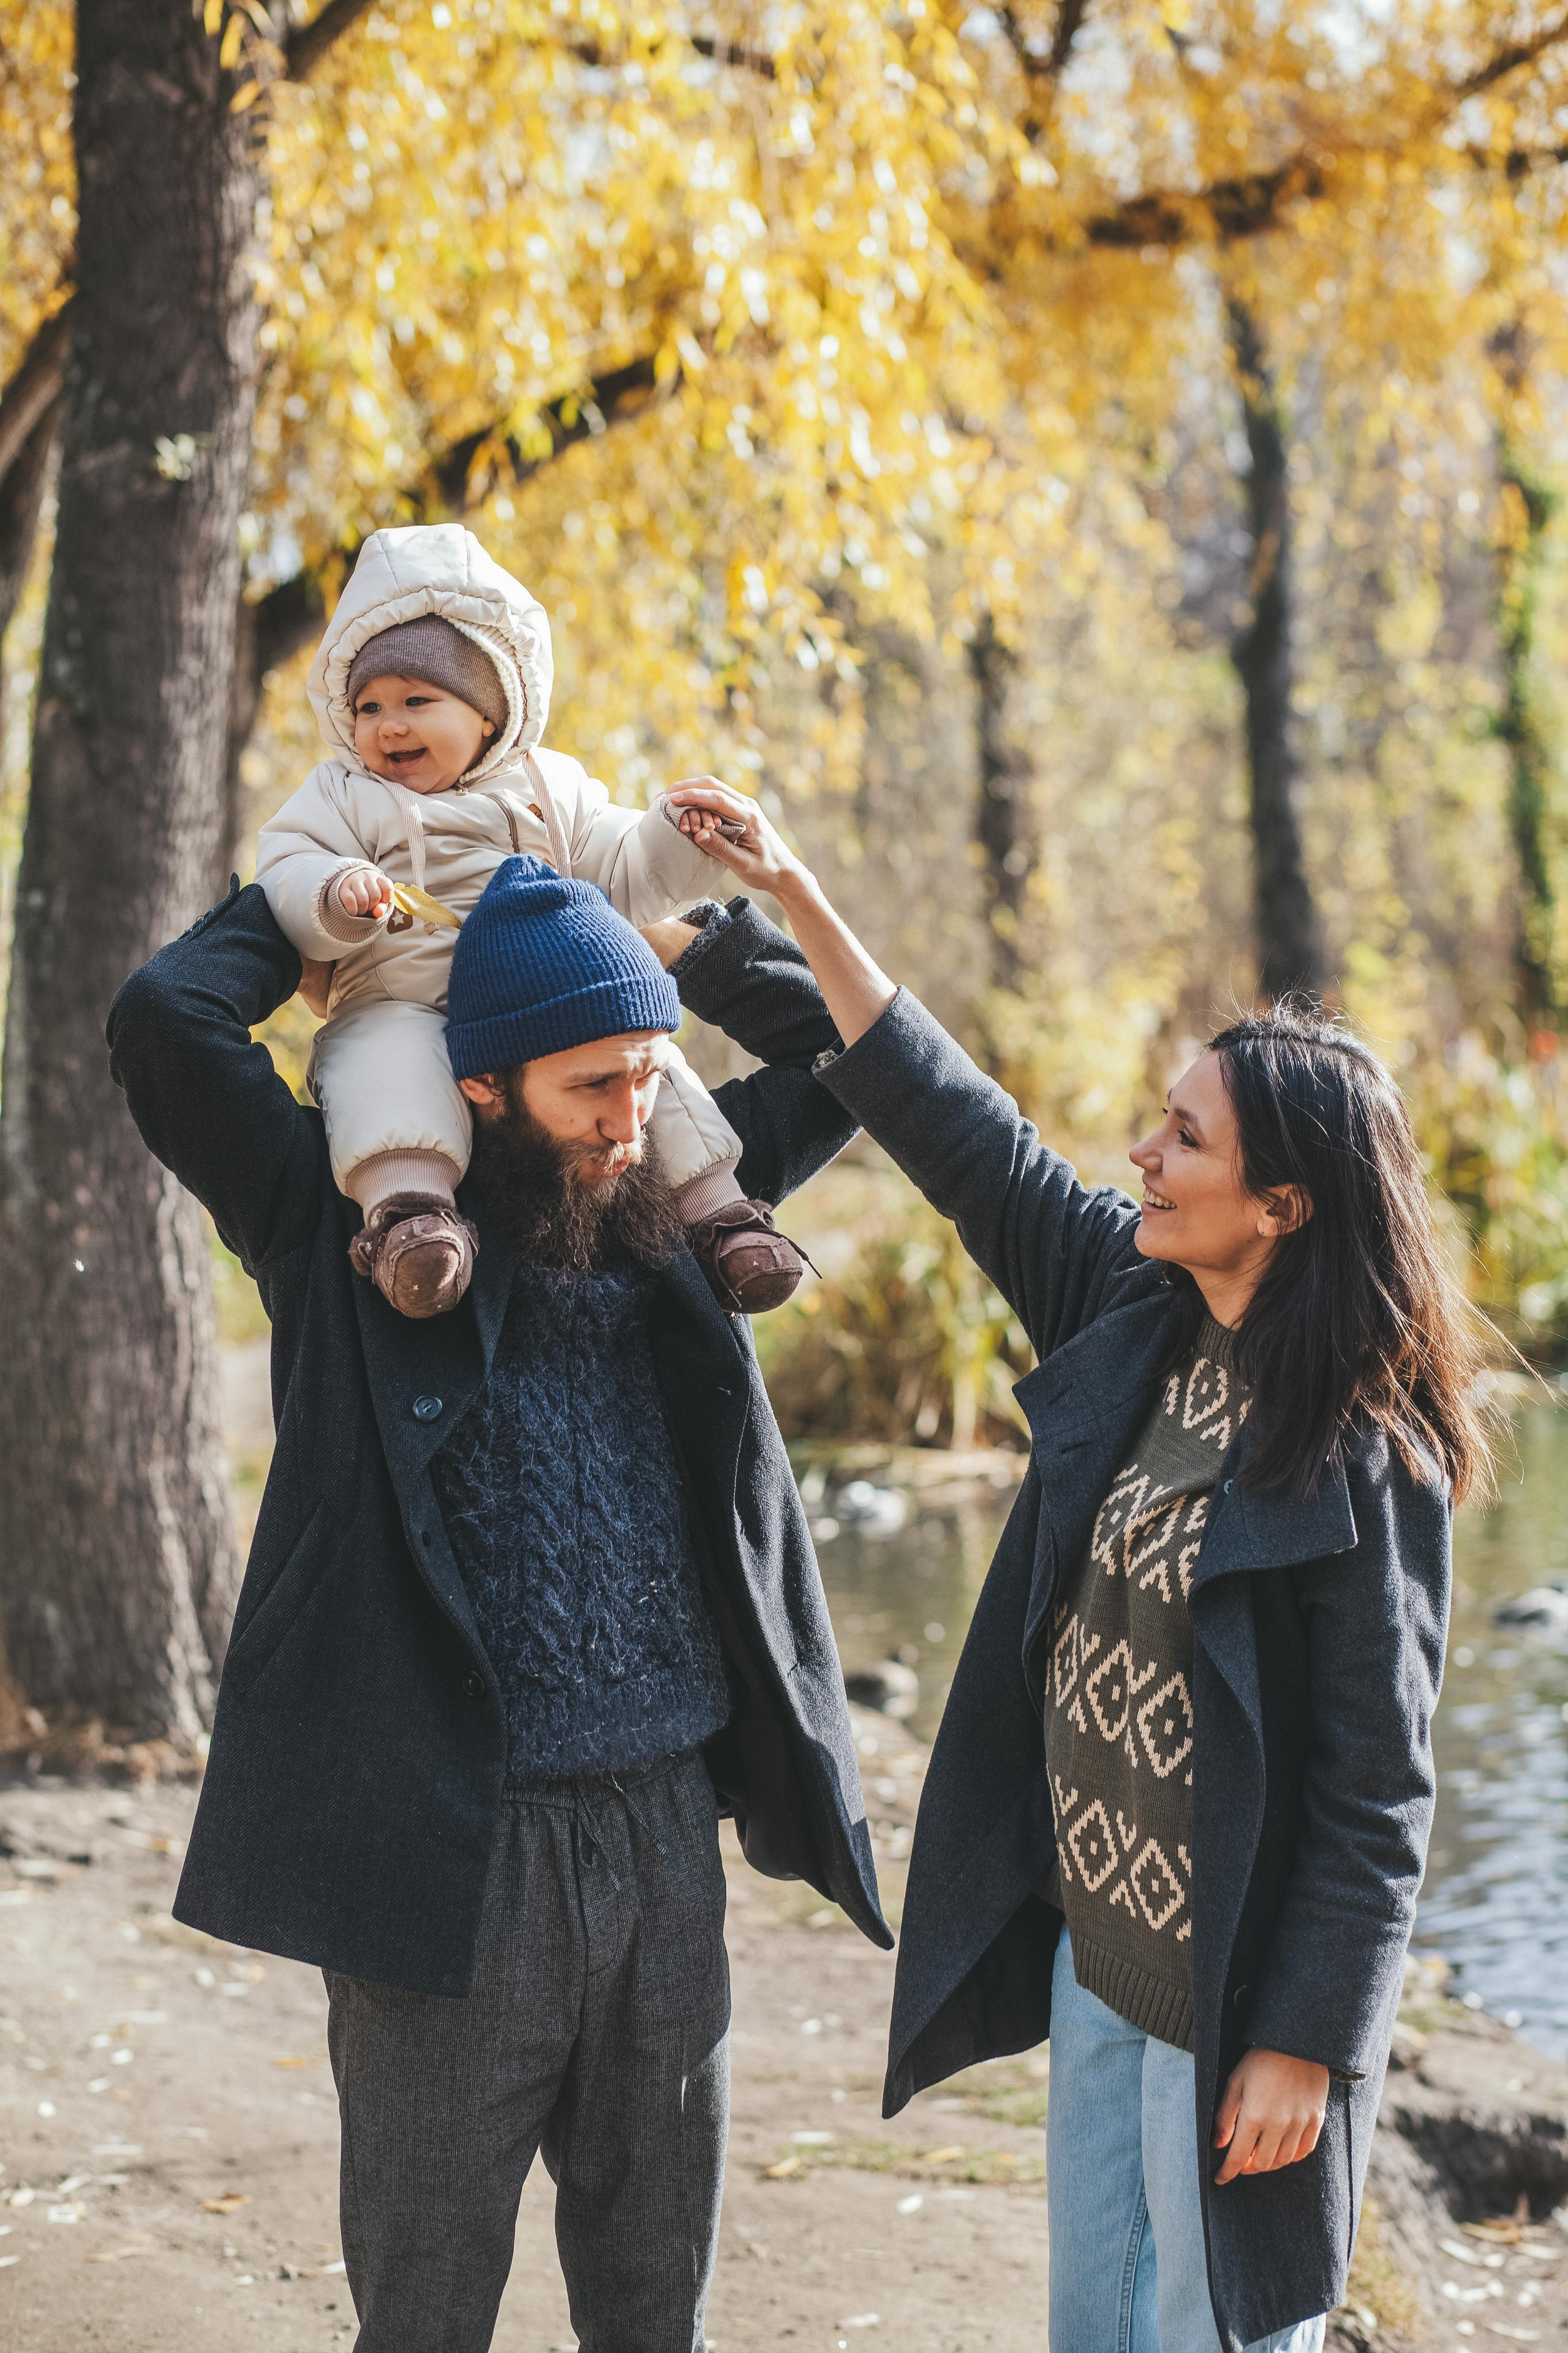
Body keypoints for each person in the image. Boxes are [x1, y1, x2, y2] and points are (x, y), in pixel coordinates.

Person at [663, 782, 1488, 2353]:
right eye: (1159, 1121)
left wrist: (1308, 2041)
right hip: (1098, 1959)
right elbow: (952, 1120)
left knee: (1215, 2331)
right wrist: (782, 897)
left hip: (1234, 1998)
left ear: (1281, 1205)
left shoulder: (1360, 1454)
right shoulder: (1129, 1304)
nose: (1142, 1152)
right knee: (1088, 2331)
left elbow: (1378, 1787)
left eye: (1186, 1139)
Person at [105, 856, 889, 2353]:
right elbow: (164, 1021)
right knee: (424, 2317)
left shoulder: (681, 1211)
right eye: (592, 1086)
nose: (627, 1120)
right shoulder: (344, 1226)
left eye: (648, 1076)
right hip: (446, 1861)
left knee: (656, 2316)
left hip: (664, 1842)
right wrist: (312, 912)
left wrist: (690, 938)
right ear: (479, 1083)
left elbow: (847, 1055)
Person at [255, 519, 804, 1318]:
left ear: (488, 711)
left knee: (639, 1065)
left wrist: (676, 837)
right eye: (368, 707)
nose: (389, 724)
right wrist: (336, 893)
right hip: (405, 994)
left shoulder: (549, 786)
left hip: (552, 1013)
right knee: (378, 1063)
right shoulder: (344, 795)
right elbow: (287, 865)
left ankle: (721, 1216)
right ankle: (412, 1218)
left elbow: (624, 868)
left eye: (417, 700)